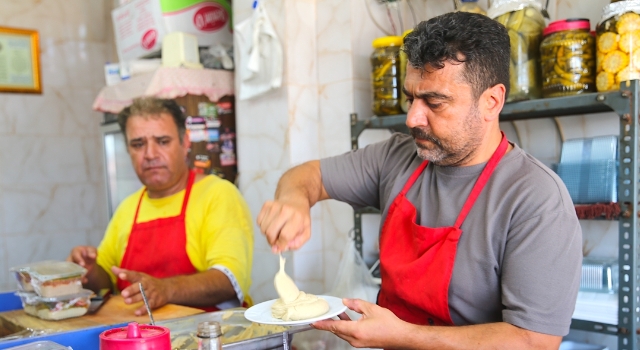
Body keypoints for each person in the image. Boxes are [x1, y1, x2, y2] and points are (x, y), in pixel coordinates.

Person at [257, 12, 582, 349]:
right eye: (411, 98)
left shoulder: (536, 200)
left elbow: (534, 341)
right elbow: (308, 176)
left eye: (434, 102)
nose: (412, 118)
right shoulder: (395, 157)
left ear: (491, 101)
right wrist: (293, 198)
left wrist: (403, 335)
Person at [69, 97, 254, 315]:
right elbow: (107, 280)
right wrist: (87, 270)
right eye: (138, 144)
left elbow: (228, 281)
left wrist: (166, 289)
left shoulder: (218, 195)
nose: (150, 154)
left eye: (163, 141)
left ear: (185, 143)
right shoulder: (128, 207)